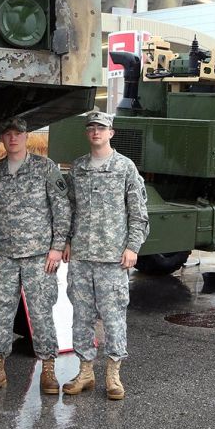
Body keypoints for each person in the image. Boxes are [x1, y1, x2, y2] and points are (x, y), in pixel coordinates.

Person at [0, 116, 71, 396]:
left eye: (18, 133)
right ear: (3, 139)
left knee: (42, 313)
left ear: (27, 136)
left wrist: (57, 246)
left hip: (38, 255)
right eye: (7, 134)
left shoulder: (45, 168)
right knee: (1, 313)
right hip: (4, 255)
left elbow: (61, 209)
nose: (13, 138)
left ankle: (48, 368)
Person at [61, 111, 148, 400]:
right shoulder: (79, 168)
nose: (96, 132)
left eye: (101, 127)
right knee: (81, 317)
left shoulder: (125, 167)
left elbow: (138, 213)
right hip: (82, 257)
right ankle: (85, 371)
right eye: (92, 128)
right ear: (87, 134)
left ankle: (113, 374)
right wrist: (67, 241)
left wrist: (132, 247)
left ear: (111, 133)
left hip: (113, 258)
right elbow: (69, 208)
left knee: (113, 318)